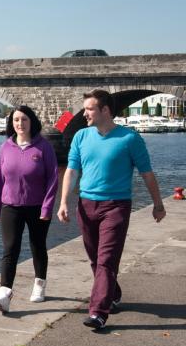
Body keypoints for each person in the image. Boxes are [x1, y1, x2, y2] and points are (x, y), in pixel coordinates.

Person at [57, 89, 166, 330]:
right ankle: (112, 293)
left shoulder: (130, 139)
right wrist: (63, 201)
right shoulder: (81, 136)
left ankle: (98, 312)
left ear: (105, 110)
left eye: (89, 109)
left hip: (116, 206)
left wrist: (158, 204)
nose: (84, 114)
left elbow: (147, 173)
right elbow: (72, 171)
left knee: (106, 259)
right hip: (86, 205)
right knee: (96, 259)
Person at [0, 105, 59, 313]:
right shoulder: (5, 147)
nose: (20, 124)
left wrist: (47, 207)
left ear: (32, 122)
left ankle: (39, 284)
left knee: (37, 245)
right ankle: (4, 293)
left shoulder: (43, 147)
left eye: (24, 119)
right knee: (10, 248)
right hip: (10, 205)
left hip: (37, 206)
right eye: (16, 120)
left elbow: (53, 178)